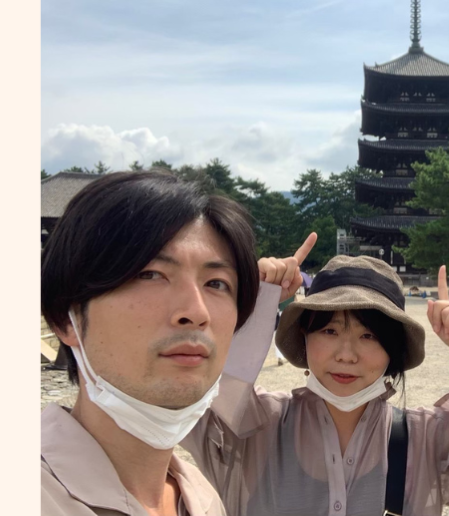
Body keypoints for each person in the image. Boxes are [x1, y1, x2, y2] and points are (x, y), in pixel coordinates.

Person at [182, 255, 449, 516]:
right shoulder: (253, 426)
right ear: (304, 337)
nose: (347, 354)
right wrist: (255, 306)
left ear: (393, 351)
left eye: (369, 336)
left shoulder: (426, 440)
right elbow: (185, 392)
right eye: (330, 331)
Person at [40, 170, 313, 516]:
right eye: (150, 275)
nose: (197, 312)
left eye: (216, 283)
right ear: (66, 318)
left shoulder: (203, 498)